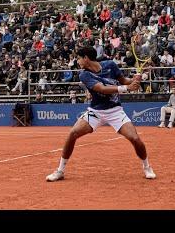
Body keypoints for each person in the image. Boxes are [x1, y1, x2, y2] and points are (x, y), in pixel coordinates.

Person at [45, 46, 156, 182]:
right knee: (73, 133)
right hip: (96, 112)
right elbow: (102, 89)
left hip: (115, 111)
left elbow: (124, 81)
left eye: (78, 58)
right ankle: (60, 171)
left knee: (135, 139)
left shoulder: (110, 65)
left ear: (86, 58)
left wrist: (134, 80)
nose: (77, 61)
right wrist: (127, 88)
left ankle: (147, 167)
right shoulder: (84, 74)